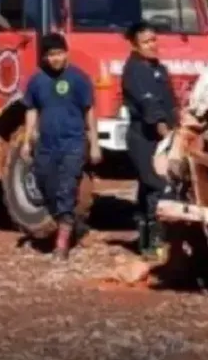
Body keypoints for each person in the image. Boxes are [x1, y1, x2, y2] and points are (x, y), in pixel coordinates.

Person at [21, 33, 102, 261]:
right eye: (50, 55)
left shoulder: (79, 79)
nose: (55, 58)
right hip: (46, 144)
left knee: (67, 187)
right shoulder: (37, 81)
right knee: (45, 185)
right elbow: (31, 110)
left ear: (66, 53)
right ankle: (68, 224)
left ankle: (62, 244)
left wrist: (94, 144)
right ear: (44, 57)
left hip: (73, 141)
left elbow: (89, 110)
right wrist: (27, 141)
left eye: (59, 53)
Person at [121, 21, 178, 260]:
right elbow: (149, 105)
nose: (152, 45)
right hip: (144, 136)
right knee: (159, 186)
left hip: (163, 136)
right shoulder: (134, 70)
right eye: (146, 42)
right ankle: (155, 245)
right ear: (135, 45)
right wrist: (163, 129)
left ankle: (145, 244)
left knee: (146, 189)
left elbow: (170, 101)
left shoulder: (159, 69)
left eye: (154, 40)